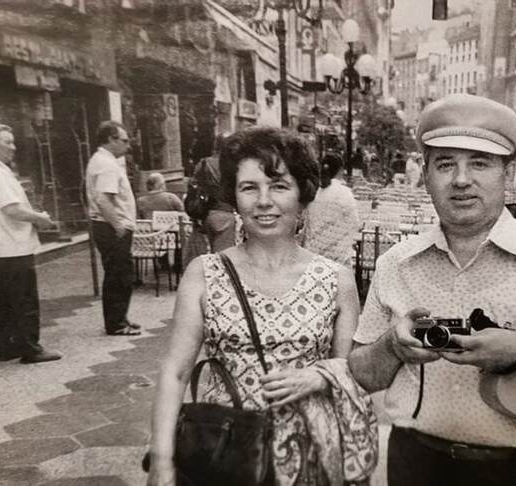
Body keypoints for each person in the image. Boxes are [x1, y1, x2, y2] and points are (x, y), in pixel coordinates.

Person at [347, 94, 516, 486]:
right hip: (415, 465)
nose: (461, 179)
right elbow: (361, 375)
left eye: (480, 163)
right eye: (445, 164)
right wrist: (393, 346)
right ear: (425, 174)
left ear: (509, 173)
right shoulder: (396, 262)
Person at [147, 127, 377, 486]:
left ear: (302, 195)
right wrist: (162, 461)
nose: (264, 201)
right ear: (234, 197)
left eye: (279, 186)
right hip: (227, 451)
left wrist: (319, 375)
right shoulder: (204, 273)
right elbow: (175, 372)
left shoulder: (336, 279)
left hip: (311, 453)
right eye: (249, 187)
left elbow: (352, 370)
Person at [0, 124, 62, 364]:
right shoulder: (0, 174)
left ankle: (7, 346)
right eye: (8, 142)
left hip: (3, 249)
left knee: (4, 301)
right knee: (24, 300)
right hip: (14, 247)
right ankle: (30, 348)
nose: (13, 148)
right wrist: (40, 219)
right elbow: (12, 208)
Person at [85, 121, 140, 336]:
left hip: (107, 225)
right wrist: (118, 225)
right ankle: (116, 323)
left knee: (119, 274)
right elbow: (103, 198)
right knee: (119, 275)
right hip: (110, 227)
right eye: (124, 140)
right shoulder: (106, 164)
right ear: (111, 139)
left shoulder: (102, 161)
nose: (128, 145)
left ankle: (120, 318)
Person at [302, 152, 361, 267]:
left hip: (313, 254)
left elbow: (306, 221)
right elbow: (355, 223)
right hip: (337, 257)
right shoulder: (345, 193)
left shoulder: (314, 192)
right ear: (340, 170)